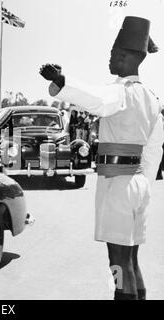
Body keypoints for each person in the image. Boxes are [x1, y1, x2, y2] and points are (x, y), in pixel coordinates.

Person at [39, 16, 164, 300]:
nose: (108, 59)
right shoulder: (152, 99)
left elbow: (95, 98)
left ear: (123, 57)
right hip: (136, 183)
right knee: (131, 260)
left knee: (118, 263)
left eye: (111, 54)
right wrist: (142, 183)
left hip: (117, 186)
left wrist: (61, 80)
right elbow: (155, 149)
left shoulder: (120, 91)